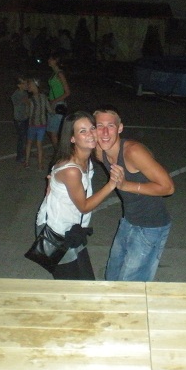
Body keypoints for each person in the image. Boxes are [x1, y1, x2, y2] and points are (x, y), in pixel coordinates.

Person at [38, 110, 124, 280]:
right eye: (82, 131)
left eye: (92, 128)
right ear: (72, 138)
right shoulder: (72, 170)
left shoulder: (85, 157)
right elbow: (84, 206)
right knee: (71, 287)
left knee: (87, 282)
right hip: (56, 233)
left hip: (73, 228)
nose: (91, 134)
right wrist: (111, 184)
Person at [93, 105, 175, 281]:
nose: (105, 132)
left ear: (120, 128)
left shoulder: (133, 152)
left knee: (130, 286)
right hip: (128, 221)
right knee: (112, 276)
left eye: (111, 126)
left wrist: (126, 185)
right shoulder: (100, 151)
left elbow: (168, 187)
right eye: (100, 126)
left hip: (151, 226)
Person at [24, 78, 53, 171]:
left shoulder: (31, 99)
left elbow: (28, 113)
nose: (28, 86)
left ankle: (27, 162)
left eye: (30, 85)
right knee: (39, 145)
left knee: (29, 143)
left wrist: (27, 105)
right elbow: (49, 109)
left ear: (35, 86)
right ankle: (40, 165)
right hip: (42, 125)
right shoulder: (44, 97)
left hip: (33, 124)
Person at [46, 53, 71, 150]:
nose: (48, 60)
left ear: (56, 60)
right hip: (53, 103)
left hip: (58, 104)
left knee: (53, 132)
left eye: (50, 59)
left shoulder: (60, 74)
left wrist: (54, 101)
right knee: (50, 131)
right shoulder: (54, 74)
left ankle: (59, 153)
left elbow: (67, 92)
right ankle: (59, 151)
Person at [11, 77, 29, 163]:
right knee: (21, 138)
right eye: (24, 83)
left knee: (25, 137)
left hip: (25, 118)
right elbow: (19, 104)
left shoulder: (25, 93)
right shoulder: (16, 95)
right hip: (19, 119)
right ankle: (19, 156)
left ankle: (23, 153)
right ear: (19, 85)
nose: (26, 85)